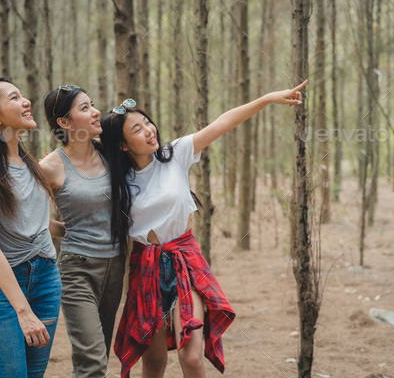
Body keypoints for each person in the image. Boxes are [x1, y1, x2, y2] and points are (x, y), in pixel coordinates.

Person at [101, 80, 307, 378]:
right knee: (155, 361)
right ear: (122, 144)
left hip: (185, 260)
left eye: (147, 123)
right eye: (137, 130)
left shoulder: (175, 154)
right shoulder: (118, 181)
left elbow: (223, 122)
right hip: (146, 267)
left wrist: (266, 99)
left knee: (192, 357)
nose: (149, 131)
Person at [0, 77, 64, 378]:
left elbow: (34, 224)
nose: (26, 102)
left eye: (22, 95)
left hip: (46, 278)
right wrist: (23, 311)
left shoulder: (29, 163)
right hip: (1, 287)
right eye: (14, 97)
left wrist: (76, 230)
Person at [39, 85, 125, 378]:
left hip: (115, 267)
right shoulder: (50, 166)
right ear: (64, 122)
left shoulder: (110, 154)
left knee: (99, 354)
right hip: (78, 270)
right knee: (92, 361)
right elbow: (29, 218)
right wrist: (69, 231)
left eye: (93, 105)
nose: (96, 111)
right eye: (84, 108)